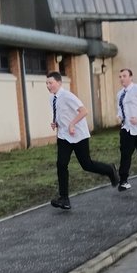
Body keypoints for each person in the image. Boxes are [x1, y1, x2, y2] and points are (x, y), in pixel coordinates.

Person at [45, 72, 117, 210]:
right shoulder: (52, 98)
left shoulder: (68, 96)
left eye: (51, 83)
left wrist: (72, 124)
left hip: (78, 135)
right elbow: (61, 114)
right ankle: (64, 198)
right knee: (61, 164)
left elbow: (84, 111)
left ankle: (110, 170)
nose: (48, 86)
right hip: (64, 136)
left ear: (59, 83)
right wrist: (56, 123)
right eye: (47, 83)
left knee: (86, 164)